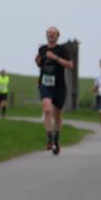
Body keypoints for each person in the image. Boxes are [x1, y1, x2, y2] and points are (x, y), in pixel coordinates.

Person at [35, 26, 74, 155]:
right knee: (47, 110)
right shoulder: (42, 49)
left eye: (53, 33)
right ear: (46, 35)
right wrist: (37, 61)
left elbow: (70, 65)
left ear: (58, 36)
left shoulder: (62, 49)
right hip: (45, 85)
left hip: (59, 87)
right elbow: (41, 64)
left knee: (57, 116)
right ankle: (49, 138)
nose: (51, 34)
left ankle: (56, 140)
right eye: (49, 33)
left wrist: (56, 58)